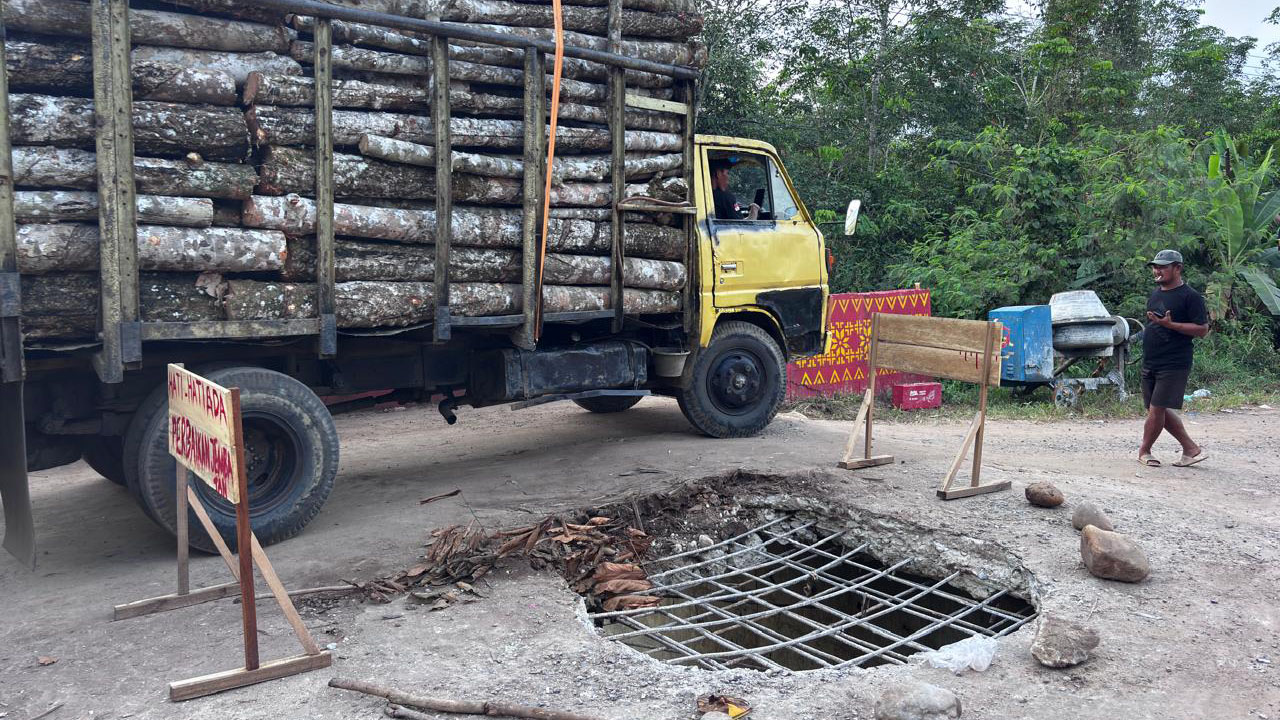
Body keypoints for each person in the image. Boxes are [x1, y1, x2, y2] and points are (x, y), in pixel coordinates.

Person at [1137, 249, 1210, 467]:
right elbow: (1154, 325)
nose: (1157, 271)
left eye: (1162, 267)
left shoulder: (1191, 297)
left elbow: (1202, 329)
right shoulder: (1156, 294)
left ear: (1177, 268)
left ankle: (1144, 451)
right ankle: (1190, 449)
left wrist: (1171, 325)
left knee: (1157, 408)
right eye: (1155, 266)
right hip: (1151, 360)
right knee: (1154, 407)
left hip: (1174, 362)